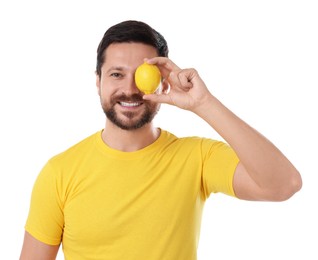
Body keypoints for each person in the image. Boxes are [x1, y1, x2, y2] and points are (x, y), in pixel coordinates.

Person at [20, 20, 302, 260]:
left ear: (163, 84)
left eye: (143, 76)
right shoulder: (59, 173)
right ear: (98, 81)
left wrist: (203, 103)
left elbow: (283, 184)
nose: (130, 90)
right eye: (116, 74)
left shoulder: (197, 158)